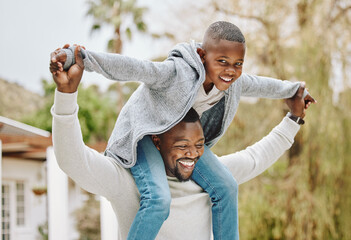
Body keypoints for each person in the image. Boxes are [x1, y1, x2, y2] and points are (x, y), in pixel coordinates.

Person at [50, 21, 315, 240]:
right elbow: (137, 68)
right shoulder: (176, 74)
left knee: (226, 186)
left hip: (167, 141)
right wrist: (83, 58)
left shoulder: (232, 82)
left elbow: (260, 95)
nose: (230, 71)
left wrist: (294, 91)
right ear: (202, 55)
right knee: (158, 200)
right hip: (143, 137)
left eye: (237, 64)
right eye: (222, 61)